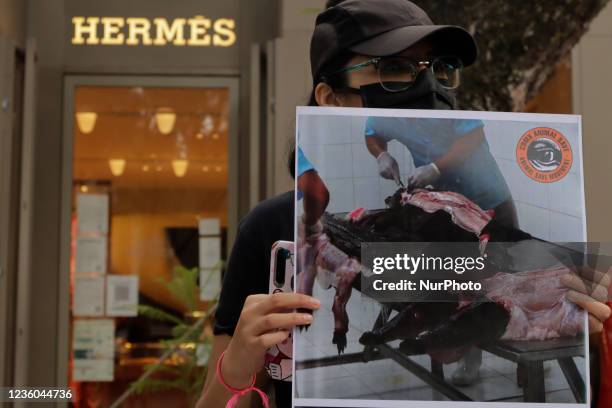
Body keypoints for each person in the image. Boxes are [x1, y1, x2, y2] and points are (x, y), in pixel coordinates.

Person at [197, 1, 611, 406]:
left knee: (485, 290)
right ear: (331, 96)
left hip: (478, 203)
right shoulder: (270, 227)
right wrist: (237, 362)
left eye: (441, 69)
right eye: (392, 67)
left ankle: (471, 356)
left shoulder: (469, 197)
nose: (427, 85)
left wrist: (592, 327)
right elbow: (215, 401)